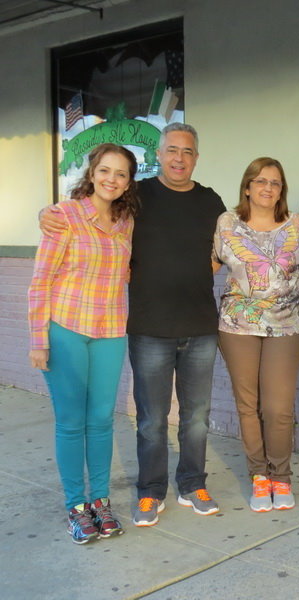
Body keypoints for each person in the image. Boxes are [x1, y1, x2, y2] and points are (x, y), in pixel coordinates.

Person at [40, 123, 226, 526]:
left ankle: (193, 483)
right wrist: (47, 213)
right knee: (151, 418)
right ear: (158, 154)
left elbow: (228, 245)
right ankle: (150, 490)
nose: (179, 158)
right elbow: (91, 207)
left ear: (197, 157)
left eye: (188, 151)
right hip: (147, 326)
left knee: (196, 415)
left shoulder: (211, 200)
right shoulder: (134, 197)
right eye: (172, 149)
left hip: (200, 326)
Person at [29, 143, 139, 544]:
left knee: (101, 420)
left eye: (121, 173)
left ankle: (100, 502)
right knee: (72, 422)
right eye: (105, 171)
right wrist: (38, 341)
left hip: (110, 330)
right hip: (67, 329)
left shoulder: (126, 221)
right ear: (92, 172)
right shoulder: (64, 216)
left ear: (129, 182)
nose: (112, 179)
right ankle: (77, 506)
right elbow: (40, 281)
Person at [213, 157, 299, 512]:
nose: (268, 188)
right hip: (238, 324)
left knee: (277, 407)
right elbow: (209, 261)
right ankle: (259, 476)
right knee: (248, 405)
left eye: (275, 182)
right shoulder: (227, 223)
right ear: (247, 187)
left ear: (281, 190)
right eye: (261, 181)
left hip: (286, 325)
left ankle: (281, 477)